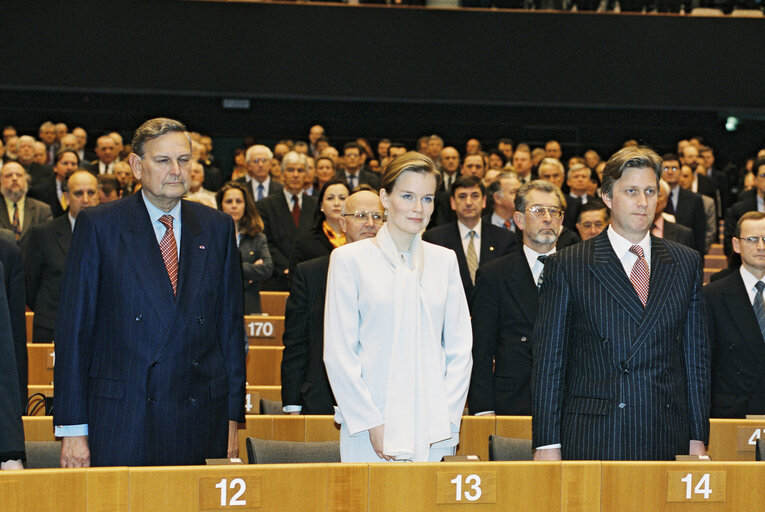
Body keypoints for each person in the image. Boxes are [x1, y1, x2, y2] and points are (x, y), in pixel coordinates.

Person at [54, 118, 246, 467]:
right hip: (123, 418)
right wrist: (72, 428)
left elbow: (230, 332)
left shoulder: (217, 227)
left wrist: (232, 418)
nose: (176, 171)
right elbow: (74, 333)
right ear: (136, 166)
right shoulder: (99, 226)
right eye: (163, 161)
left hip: (200, 417)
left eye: (184, 160)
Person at [532, 146, 709, 461]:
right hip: (595, 432)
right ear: (607, 197)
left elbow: (695, 360)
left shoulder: (685, 262)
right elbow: (550, 363)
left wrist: (697, 438)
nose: (643, 202)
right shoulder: (569, 264)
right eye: (631, 191)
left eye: (650, 191)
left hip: (666, 431)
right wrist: (547, 444)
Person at [324, 152, 472, 462]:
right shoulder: (350, 260)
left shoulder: (444, 261)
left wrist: (445, 417)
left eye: (427, 198)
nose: (419, 208)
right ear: (385, 198)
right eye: (407, 196)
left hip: (435, 428)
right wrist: (370, 421)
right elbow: (340, 352)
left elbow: (460, 349)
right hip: (370, 426)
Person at [281, 190, 384, 415]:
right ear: (343, 223)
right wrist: (292, 404)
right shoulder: (310, 273)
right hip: (323, 400)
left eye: (377, 217)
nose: (370, 223)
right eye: (360, 215)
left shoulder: (401, 273)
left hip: (384, 399)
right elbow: (296, 343)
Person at [470, 180, 564, 416]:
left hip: (568, 403)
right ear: (519, 220)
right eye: (538, 210)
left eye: (554, 211)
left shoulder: (580, 271)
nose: (547, 218)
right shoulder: (494, 275)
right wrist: (483, 410)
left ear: (562, 221)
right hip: (513, 403)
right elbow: (481, 350)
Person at [23, 171, 99, 343]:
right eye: (78, 193)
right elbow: (30, 284)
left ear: (98, 196)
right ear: (66, 197)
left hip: (99, 329)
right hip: (52, 326)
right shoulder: (43, 234)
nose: (85, 199)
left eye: (91, 192)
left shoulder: (114, 233)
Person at [705, 212, 765, 418]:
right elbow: (704, 364)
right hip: (732, 414)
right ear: (736, 245)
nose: (761, 247)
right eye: (752, 239)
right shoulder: (712, 296)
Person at [423, 175, 516, 301]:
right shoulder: (434, 239)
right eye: (462, 196)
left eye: (475, 196)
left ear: (483, 201)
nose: (468, 202)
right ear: (453, 203)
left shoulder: (505, 239)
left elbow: (509, 287)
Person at [257, 151, 318, 291]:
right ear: (282, 173)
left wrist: (302, 269)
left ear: (306, 175)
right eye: (290, 170)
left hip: (308, 277)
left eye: (300, 170)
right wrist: (287, 267)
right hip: (277, 277)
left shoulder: (316, 205)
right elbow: (265, 242)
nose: (295, 175)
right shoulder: (265, 205)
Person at [217, 181, 273, 314]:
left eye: (239, 201)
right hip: (219, 304)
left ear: (246, 205)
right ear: (221, 205)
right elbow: (212, 270)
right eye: (229, 201)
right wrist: (249, 273)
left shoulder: (257, 237)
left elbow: (267, 269)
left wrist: (232, 268)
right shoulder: (211, 236)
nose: (234, 206)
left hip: (249, 304)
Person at [289, 179, 349, 276]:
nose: (336, 203)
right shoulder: (305, 242)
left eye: (342, 198)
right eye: (330, 198)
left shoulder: (359, 239)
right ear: (321, 205)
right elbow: (295, 280)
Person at [0, 161, 53, 242]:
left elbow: (48, 241)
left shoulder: (43, 210)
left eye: (19, 175)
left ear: (26, 180)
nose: (14, 178)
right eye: (8, 176)